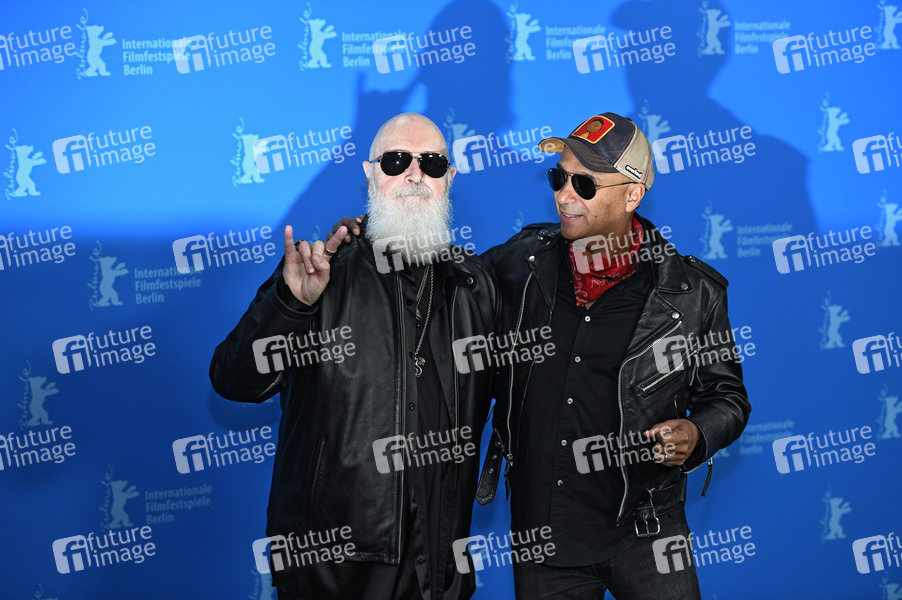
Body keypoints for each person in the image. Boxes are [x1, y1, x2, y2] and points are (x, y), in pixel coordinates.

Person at [210, 113, 498, 600]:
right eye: (396, 161)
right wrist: (291, 305)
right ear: (370, 174)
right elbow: (233, 379)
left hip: (438, 571)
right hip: (334, 574)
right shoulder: (320, 273)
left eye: (431, 163)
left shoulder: (475, 287)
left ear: (449, 178)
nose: (414, 174)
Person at [473, 112, 751, 599]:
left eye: (584, 184)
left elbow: (727, 398)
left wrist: (696, 433)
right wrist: (365, 247)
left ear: (633, 194)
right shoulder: (520, 262)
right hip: (544, 534)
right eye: (559, 178)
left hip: (647, 529)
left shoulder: (692, 294)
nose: (564, 196)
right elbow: (445, 293)